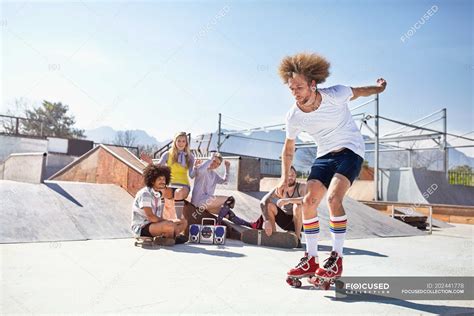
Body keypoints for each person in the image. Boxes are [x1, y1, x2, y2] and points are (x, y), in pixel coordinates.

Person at [276, 53, 387, 285]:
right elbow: (288, 150)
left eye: (299, 87)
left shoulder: (335, 95)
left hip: (351, 151)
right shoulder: (293, 116)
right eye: (291, 89)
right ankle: (312, 258)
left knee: (334, 199)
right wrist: (283, 178)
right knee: (307, 202)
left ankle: (336, 257)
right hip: (324, 156)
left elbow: (359, 91)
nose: (295, 93)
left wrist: (378, 88)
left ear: (312, 85)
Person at [130, 164, 187, 244]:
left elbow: (159, 218)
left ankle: (168, 237)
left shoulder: (158, 195)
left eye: (164, 179)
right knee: (169, 225)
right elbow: (151, 217)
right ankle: (172, 237)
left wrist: (171, 222)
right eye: (159, 179)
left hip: (155, 225)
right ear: (153, 181)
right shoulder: (145, 194)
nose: (163, 181)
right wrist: (168, 222)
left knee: (183, 222)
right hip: (142, 228)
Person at [191, 152, 251, 226]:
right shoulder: (201, 168)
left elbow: (224, 181)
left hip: (206, 204)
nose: (215, 164)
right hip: (198, 201)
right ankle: (218, 224)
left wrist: (227, 168)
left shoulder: (214, 175)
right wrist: (210, 159)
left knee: (228, 213)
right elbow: (199, 171)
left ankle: (250, 225)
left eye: (218, 163)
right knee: (230, 200)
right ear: (211, 159)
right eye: (214, 161)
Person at [257, 166, 305, 246]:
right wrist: (266, 220)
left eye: (293, 174)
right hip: (285, 222)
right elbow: (263, 201)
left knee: (297, 206)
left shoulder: (301, 187)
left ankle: (297, 239)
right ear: (284, 176)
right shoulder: (280, 189)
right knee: (268, 205)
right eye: (288, 175)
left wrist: (288, 200)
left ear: (296, 175)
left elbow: (306, 200)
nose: (290, 177)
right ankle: (274, 236)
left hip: (301, 223)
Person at [158, 132, 195, 219]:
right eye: (179, 141)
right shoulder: (167, 154)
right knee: (161, 190)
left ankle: (178, 220)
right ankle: (159, 218)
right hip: (170, 185)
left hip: (184, 185)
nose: (181, 143)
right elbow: (158, 167)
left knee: (178, 193)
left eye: (183, 141)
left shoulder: (190, 156)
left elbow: (191, 175)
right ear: (175, 142)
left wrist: (196, 168)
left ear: (186, 143)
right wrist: (149, 163)